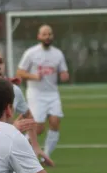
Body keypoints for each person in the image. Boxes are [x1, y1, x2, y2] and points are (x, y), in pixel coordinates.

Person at [16, 24, 69, 159]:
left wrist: (64, 75)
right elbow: (20, 72)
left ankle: (45, 156)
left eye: (49, 34)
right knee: (38, 128)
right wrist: (34, 76)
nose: (47, 37)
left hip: (52, 93)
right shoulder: (31, 53)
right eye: (44, 34)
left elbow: (64, 71)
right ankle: (18, 150)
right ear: (39, 36)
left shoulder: (58, 53)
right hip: (35, 94)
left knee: (55, 121)